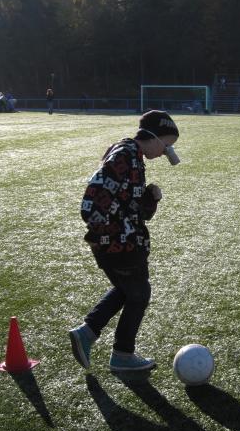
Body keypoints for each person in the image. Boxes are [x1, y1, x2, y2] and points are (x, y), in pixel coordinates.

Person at [69, 110, 180, 372]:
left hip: (125, 242)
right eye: (166, 145)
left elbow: (133, 209)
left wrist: (151, 198)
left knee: (128, 290)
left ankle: (88, 334)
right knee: (139, 294)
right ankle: (121, 354)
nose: (166, 153)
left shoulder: (134, 158)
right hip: (119, 245)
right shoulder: (124, 156)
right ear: (153, 137)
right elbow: (91, 204)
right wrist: (107, 234)